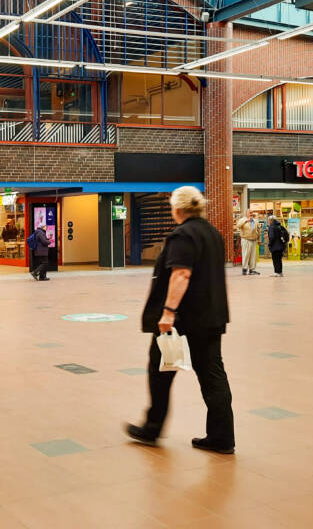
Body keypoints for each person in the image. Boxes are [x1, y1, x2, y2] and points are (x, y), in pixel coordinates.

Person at [126, 186, 234, 454]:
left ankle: (152, 429)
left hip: (183, 319)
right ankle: (222, 437)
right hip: (210, 316)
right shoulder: (213, 234)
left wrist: (168, 312)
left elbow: (181, 275)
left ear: (177, 209)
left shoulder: (182, 235)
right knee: (212, 375)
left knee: (160, 371)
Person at [235, 209, 259, 276]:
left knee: (253, 256)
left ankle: (252, 270)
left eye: (252, 212)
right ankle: (244, 269)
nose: (251, 214)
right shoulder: (242, 220)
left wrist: (259, 239)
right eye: (250, 212)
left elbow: (258, 230)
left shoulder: (255, 220)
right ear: (246, 213)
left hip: (254, 240)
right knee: (246, 255)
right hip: (246, 239)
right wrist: (246, 221)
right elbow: (238, 226)